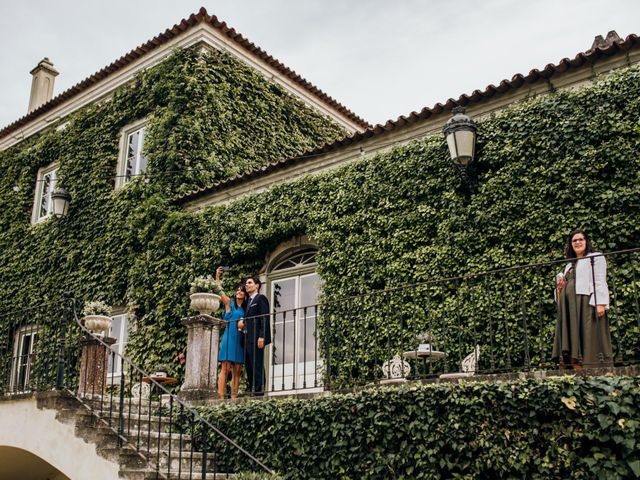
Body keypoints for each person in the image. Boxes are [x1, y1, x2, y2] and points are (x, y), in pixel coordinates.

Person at [552, 229, 613, 369]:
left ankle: (594, 368)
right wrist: (560, 288)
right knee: (573, 337)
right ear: (571, 245)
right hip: (570, 307)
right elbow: (562, 291)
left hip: (586, 303)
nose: (578, 242)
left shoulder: (595, 257)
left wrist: (600, 303)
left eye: (581, 239)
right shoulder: (568, 265)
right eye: (574, 240)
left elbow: (599, 279)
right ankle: (576, 368)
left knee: (589, 334)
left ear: (586, 241)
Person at [216, 266, 246, 399]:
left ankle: (234, 397)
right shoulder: (230, 303)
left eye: (242, 291)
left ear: (244, 294)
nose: (239, 292)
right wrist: (217, 277)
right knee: (225, 368)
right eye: (238, 290)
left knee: (237, 370)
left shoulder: (246, 308)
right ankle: (221, 397)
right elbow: (219, 292)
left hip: (240, 339)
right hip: (229, 338)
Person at [238, 276, 271, 395]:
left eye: (249, 283)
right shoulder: (248, 302)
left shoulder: (260, 298)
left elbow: (264, 317)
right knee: (249, 366)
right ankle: (253, 391)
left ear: (257, 285)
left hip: (257, 338)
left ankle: (259, 393)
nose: (247, 285)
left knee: (257, 365)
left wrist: (262, 335)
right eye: (246, 283)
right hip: (247, 339)